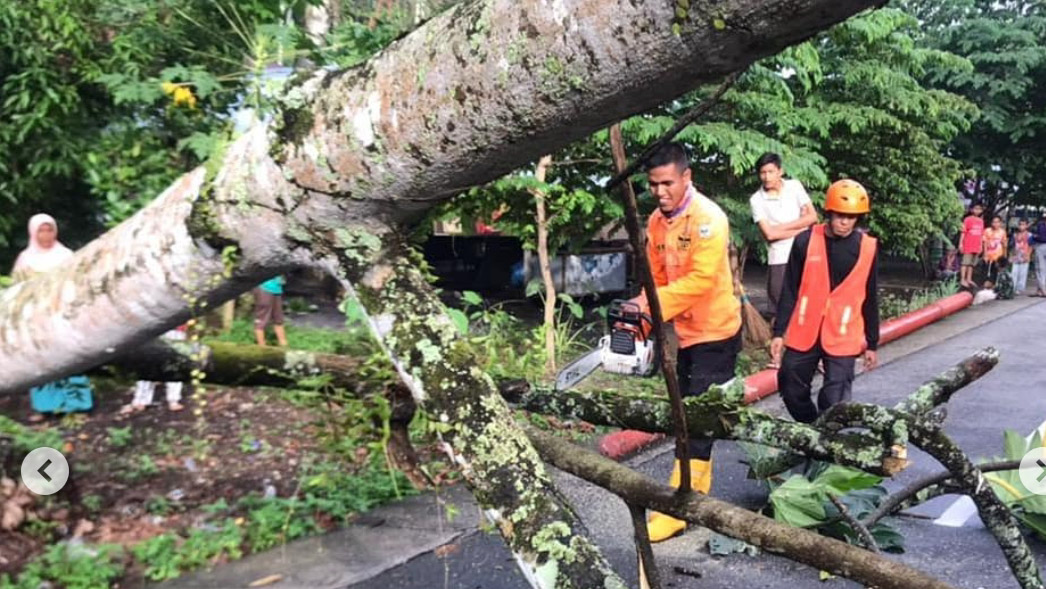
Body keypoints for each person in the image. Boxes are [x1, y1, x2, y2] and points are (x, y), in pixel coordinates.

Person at [630, 143, 742, 542]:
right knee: (687, 412)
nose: (660, 192)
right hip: (686, 333)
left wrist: (650, 308)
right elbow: (657, 277)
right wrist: (641, 309)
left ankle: (682, 507)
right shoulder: (658, 223)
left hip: (716, 332)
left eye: (667, 183)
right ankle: (696, 496)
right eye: (653, 185)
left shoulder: (708, 219)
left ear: (686, 177)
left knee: (696, 419)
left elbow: (699, 281)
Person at [770, 179, 879, 425]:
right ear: (829, 213)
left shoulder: (867, 248)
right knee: (789, 383)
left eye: (851, 217)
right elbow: (789, 289)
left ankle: (827, 436)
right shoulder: (805, 241)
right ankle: (812, 427)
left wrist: (872, 343)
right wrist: (779, 333)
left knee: (836, 398)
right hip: (804, 329)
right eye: (840, 215)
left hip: (843, 332)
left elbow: (870, 297)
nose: (844, 222)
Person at [10, 214, 92, 420]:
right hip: (36, 320)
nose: (46, 235)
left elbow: (77, 282)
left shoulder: (66, 256)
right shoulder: (26, 260)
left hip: (63, 316)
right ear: (33, 233)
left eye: (49, 230)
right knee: (43, 361)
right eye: (41, 231)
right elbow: (17, 290)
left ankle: (77, 405)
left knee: (71, 358)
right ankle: (46, 406)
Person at [748, 153, 818, 323]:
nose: (766, 177)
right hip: (779, 258)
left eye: (771, 172)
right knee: (779, 306)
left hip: (804, 251)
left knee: (808, 300)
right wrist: (801, 227)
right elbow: (769, 235)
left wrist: (779, 228)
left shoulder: (794, 186)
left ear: (780, 171)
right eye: (763, 173)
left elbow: (813, 217)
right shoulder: (756, 200)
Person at [122, 326, 187, 414]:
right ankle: (141, 400)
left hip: (176, 330)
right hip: (156, 329)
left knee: (173, 365)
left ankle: (173, 400)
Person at [254, 275, 288, 346]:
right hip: (264, 287)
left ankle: (284, 347)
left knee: (278, 320)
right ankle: (262, 349)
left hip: (277, 289)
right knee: (261, 320)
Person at [959, 203, 985, 288]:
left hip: (976, 245)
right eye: (975, 208)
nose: (977, 211)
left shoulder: (981, 221)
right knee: (965, 263)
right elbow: (963, 233)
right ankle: (962, 279)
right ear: (971, 210)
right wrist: (960, 244)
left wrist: (981, 245)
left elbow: (981, 234)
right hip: (968, 244)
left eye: (979, 209)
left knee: (972, 264)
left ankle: (969, 278)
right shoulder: (967, 220)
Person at [1010, 219, 1033, 295]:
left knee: (1023, 273)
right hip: (1016, 256)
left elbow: (1031, 246)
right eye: (1020, 224)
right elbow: (1012, 246)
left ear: (1027, 225)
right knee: (1014, 272)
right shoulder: (1015, 235)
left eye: (1023, 224)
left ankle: (1020, 288)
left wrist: (1028, 255)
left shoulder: (1029, 235)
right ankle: (1012, 288)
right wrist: (1011, 255)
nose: (1021, 226)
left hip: (1024, 255)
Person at [982, 215, 1007, 284]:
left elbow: (1004, 244)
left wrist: (1004, 256)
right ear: (991, 223)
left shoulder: (1002, 232)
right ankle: (986, 286)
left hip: (998, 256)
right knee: (987, 272)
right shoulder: (987, 231)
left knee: (996, 272)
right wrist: (985, 254)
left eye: (997, 222)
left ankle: (994, 286)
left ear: (1000, 223)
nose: (995, 224)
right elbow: (985, 243)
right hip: (989, 255)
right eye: (994, 222)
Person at [1033, 212, 1046, 297]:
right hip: (1039, 246)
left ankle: (1043, 289)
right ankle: (1039, 289)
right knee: (1039, 268)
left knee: (1041, 268)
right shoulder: (1040, 224)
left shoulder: (1041, 225)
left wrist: (1035, 237)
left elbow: (1040, 237)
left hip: (1042, 245)